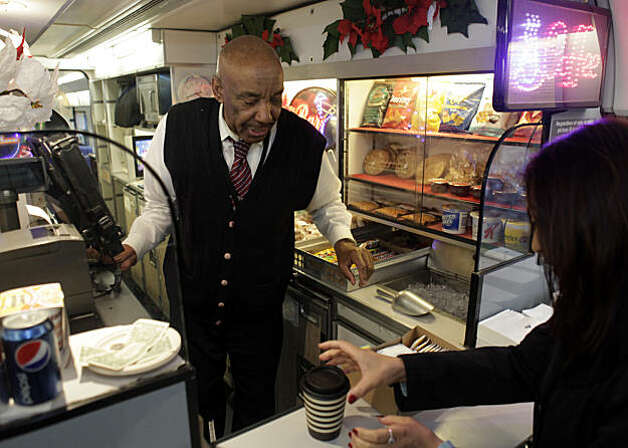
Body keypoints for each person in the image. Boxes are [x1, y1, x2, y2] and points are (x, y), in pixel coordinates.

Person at [114, 35, 374, 439]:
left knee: (257, 398)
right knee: (200, 395)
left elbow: (326, 205)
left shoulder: (302, 142)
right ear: (219, 89)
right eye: (250, 100)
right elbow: (158, 210)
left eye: (276, 98)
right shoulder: (177, 128)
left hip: (260, 305)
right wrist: (133, 244)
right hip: (194, 297)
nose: (266, 114)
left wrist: (342, 239)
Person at [320, 119, 628, 447]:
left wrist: (434, 446)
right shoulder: (594, 308)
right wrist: (398, 367)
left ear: (597, 229)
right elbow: (518, 367)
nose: (536, 245)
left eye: (546, 225)